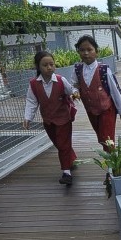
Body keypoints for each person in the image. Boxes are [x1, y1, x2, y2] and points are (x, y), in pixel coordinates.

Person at [23, 50, 79, 185]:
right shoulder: (34, 84)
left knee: (63, 144)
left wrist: (75, 94)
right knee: (59, 144)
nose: (49, 67)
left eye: (51, 64)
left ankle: (66, 172)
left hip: (63, 119)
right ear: (38, 67)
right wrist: (27, 118)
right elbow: (32, 101)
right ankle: (71, 159)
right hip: (48, 120)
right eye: (45, 65)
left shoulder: (60, 80)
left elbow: (71, 90)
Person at [72, 34, 121, 152]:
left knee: (107, 137)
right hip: (91, 110)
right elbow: (74, 85)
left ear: (96, 52)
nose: (86, 53)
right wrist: (75, 92)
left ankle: (112, 166)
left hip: (106, 109)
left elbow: (114, 91)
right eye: (82, 50)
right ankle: (112, 159)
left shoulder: (103, 70)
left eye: (89, 49)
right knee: (101, 138)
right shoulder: (77, 69)